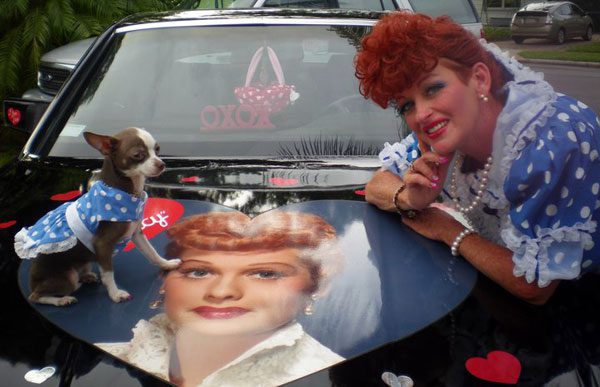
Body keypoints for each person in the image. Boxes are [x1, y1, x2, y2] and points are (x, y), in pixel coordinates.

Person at [355, 12, 600, 305]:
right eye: (406, 105)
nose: (420, 114)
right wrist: (409, 198)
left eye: (433, 88)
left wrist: (448, 229)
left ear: (480, 79)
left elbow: (536, 285)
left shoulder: (552, 140)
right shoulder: (450, 130)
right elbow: (377, 184)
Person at [98, 210, 344, 386]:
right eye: (199, 271)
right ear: (164, 281)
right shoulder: (102, 360)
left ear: (316, 286)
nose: (221, 291)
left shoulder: (336, 375)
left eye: (264, 273)